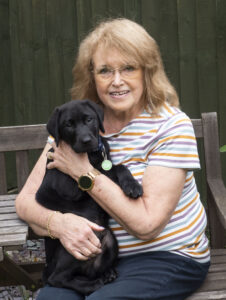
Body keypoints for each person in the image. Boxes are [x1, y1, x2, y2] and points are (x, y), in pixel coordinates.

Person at [16, 18, 210, 300]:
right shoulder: (75, 123)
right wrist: (59, 224)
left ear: (147, 71)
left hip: (167, 257)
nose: (117, 81)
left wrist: (84, 173)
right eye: (105, 71)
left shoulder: (170, 125)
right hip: (90, 260)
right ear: (92, 76)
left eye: (128, 68)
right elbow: (25, 202)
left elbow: (146, 226)